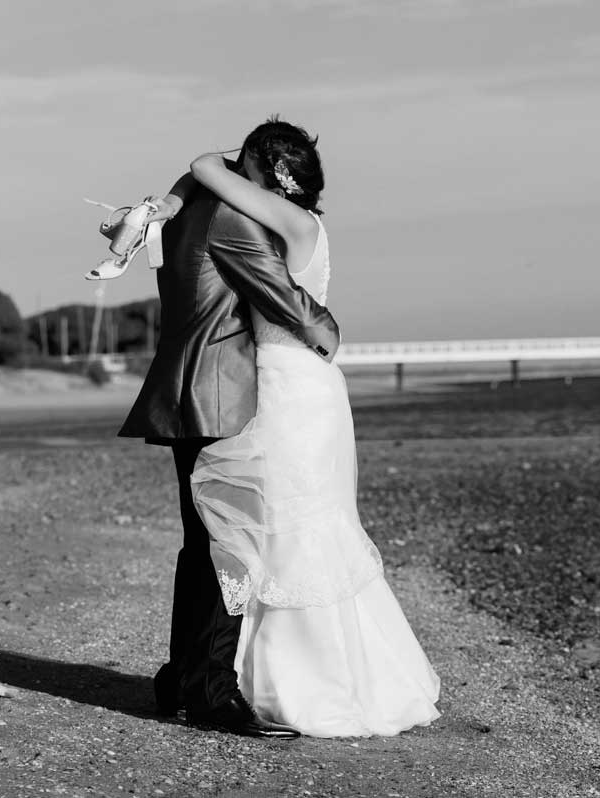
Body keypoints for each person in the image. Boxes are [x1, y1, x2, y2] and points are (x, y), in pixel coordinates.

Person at [148, 118, 440, 738]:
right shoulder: (271, 219)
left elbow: (205, 167)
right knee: (246, 536)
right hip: (269, 385)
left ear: (270, 175)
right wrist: (176, 196)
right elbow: (207, 172)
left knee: (264, 535)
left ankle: (220, 681)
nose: (235, 176)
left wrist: (324, 328)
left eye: (245, 166)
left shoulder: (290, 223)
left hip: (288, 389)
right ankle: (207, 680)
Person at [118, 122, 341, 740]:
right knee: (230, 547)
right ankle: (213, 693)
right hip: (220, 397)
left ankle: (181, 679)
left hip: (191, 391)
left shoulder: (192, 208)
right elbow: (282, 298)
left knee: (201, 545)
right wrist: (328, 335)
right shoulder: (232, 219)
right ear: (265, 173)